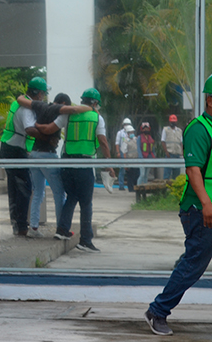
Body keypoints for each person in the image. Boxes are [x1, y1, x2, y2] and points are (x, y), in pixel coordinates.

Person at [145, 76, 212, 336]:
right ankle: (157, 311)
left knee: (192, 261)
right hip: (201, 209)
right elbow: (193, 171)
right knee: (194, 264)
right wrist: (206, 203)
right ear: (210, 100)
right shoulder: (199, 128)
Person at [36, 88, 114, 253]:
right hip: (84, 164)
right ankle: (85, 240)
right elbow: (103, 142)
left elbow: (49, 129)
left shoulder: (68, 115)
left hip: (67, 162)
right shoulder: (97, 118)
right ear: (94, 103)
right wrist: (109, 163)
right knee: (86, 203)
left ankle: (62, 229)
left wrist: (37, 126)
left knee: (71, 197)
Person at [15, 93, 84, 237]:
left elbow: (21, 100)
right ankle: (61, 228)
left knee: (38, 192)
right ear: (63, 103)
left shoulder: (41, 105)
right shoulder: (58, 109)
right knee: (59, 193)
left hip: (34, 154)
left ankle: (33, 228)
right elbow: (74, 110)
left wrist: (21, 97)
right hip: (48, 155)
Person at [0, 77, 48, 237]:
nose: (43, 97)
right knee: (24, 189)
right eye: (43, 94)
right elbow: (29, 129)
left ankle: (17, 226)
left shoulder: (19, 102)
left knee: (15, 190)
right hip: (15, 150)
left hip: (8, 148)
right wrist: (47, 136)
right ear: (38, 94)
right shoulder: (26, 109)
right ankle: (21, 226)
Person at [162, 114, 183, 180]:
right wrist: (166, 152)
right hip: (169, 154)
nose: (173, 123)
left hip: (177, 154)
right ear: (169, 122)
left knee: (176, 174)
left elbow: (181, 142)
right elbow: (163, 141)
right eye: (171, 122)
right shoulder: (165, 130)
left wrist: (182, 151)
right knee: (167, 173)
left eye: (174, 122)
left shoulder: (179, 131)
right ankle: (166, 188)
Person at [115, 117, 133, 191]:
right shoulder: (120, 133)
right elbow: (117, 143)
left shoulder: (131, 132)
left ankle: (131, 185)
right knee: (122, 169)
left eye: (128, 124)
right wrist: (118, 152)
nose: (126, 125)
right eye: (125, 124)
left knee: (130, 170)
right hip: (122, 152)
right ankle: (121, 185)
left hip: (130, 153)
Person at [121, 124, 139, 191]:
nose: (132, 134)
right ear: (127, 133)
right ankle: (131, 189)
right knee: (130, 176)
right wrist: (126, 164)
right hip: (130, 161)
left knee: (137, 175)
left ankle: (136, 188)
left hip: (136, 161)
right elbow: (124, 153)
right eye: (130, 132)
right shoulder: (125, 141)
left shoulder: (136, 139)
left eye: (132, 132)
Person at [136, 121, 155, 186]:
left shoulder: (150, 138)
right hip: (142, 159)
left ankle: (145, 188)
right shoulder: (139, 138)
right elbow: (138, 148)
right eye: (144, 128)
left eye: (147, 128)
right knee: (142, 174)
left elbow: (153, 150)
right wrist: (141, 158)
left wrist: (154, 158)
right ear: (142, 129)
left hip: (149, 158)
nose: (145, 129)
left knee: (146, 175)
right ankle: (138, 188)